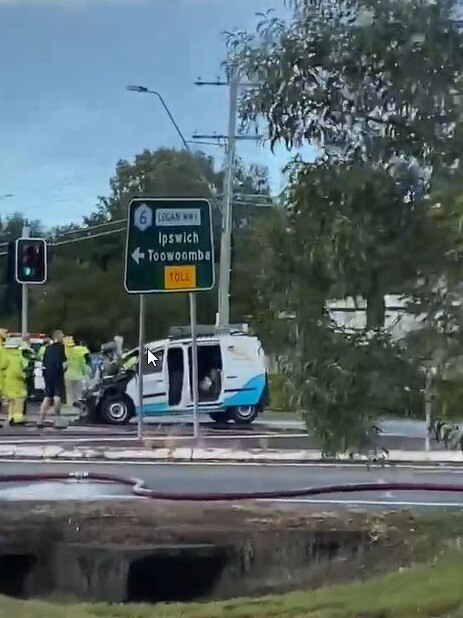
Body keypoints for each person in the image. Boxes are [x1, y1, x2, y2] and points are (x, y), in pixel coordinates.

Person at [38, 329, 67, 428]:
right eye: (62, 336)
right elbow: (64, 363)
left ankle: (40, 419)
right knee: (57, 395)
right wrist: (63, 371)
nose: (63, 337)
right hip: (57, 372)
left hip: (47, 373)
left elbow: (44, 361)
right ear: (58, 337)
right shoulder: (61, 347)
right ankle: (57, 419)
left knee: (47, 396)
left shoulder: (47, 348)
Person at [2, 340, 28, 426]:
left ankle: (11, 417)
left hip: (7, 381)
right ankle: (17, 419)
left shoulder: (4, 355)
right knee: (19, 401)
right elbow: (17, 370)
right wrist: (23, 376)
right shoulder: (17, 356)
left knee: (11, 401)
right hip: (17, 382)